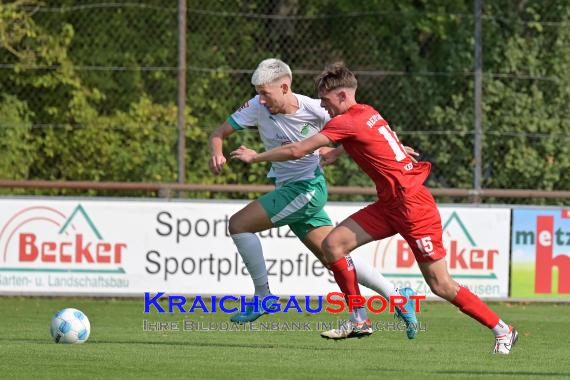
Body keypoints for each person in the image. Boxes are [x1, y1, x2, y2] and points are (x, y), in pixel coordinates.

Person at [230, 62, 518, 354]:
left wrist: (256, 158)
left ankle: (503, 330)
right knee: (333, 245)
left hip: (413, 207)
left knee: (441, 285)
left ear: (342, 96)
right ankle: (359, 318)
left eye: (327, 101)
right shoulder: (367, 112)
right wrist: (342, 153)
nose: (323, 107)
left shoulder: (346, 121)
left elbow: (297, 150)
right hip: (389, 204)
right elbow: (368, 141)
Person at [209, 58, 418, 339]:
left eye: (265, 93)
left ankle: (262, 296)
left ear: (285, 86)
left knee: (239, 224)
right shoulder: (256, 107)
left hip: (305, 189)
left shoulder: (314, 109)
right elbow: (219, 132)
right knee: (334, 257)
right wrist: (217, 151)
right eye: (258, 92)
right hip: (290, 188)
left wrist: (390, 145)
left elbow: (357, 131)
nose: (261, 98)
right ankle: (397, 296)